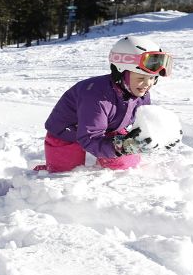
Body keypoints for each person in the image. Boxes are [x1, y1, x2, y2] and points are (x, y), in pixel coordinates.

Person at [36, 35, 174, 172]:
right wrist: (122, 146)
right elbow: (89, 137)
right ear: (120, 72)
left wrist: (158, 136)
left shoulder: (140, 93)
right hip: (67, 132)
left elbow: (143, 121)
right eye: (141, 78)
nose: (148, 84)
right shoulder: (96, 96)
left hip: (110, 127)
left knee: (124, 165)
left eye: (152, 78)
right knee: (65, 174)